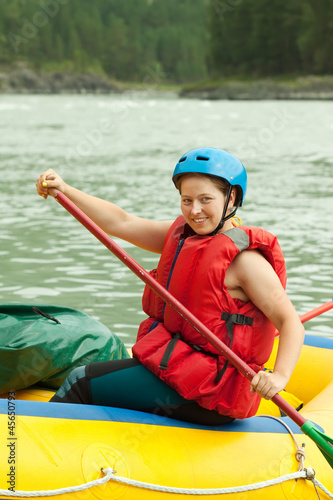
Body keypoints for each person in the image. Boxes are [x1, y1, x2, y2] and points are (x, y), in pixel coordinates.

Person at [36, 147, 304, 425]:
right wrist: (64, 190)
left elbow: (290, 322)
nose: (195, 210)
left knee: (79, 381)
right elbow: (121, 222)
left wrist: (279, 376)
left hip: (210, 391)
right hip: (181, 370)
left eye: (206, 199)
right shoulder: (182, 236)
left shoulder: (246, 262)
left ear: (231, 197)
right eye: (186, 200)